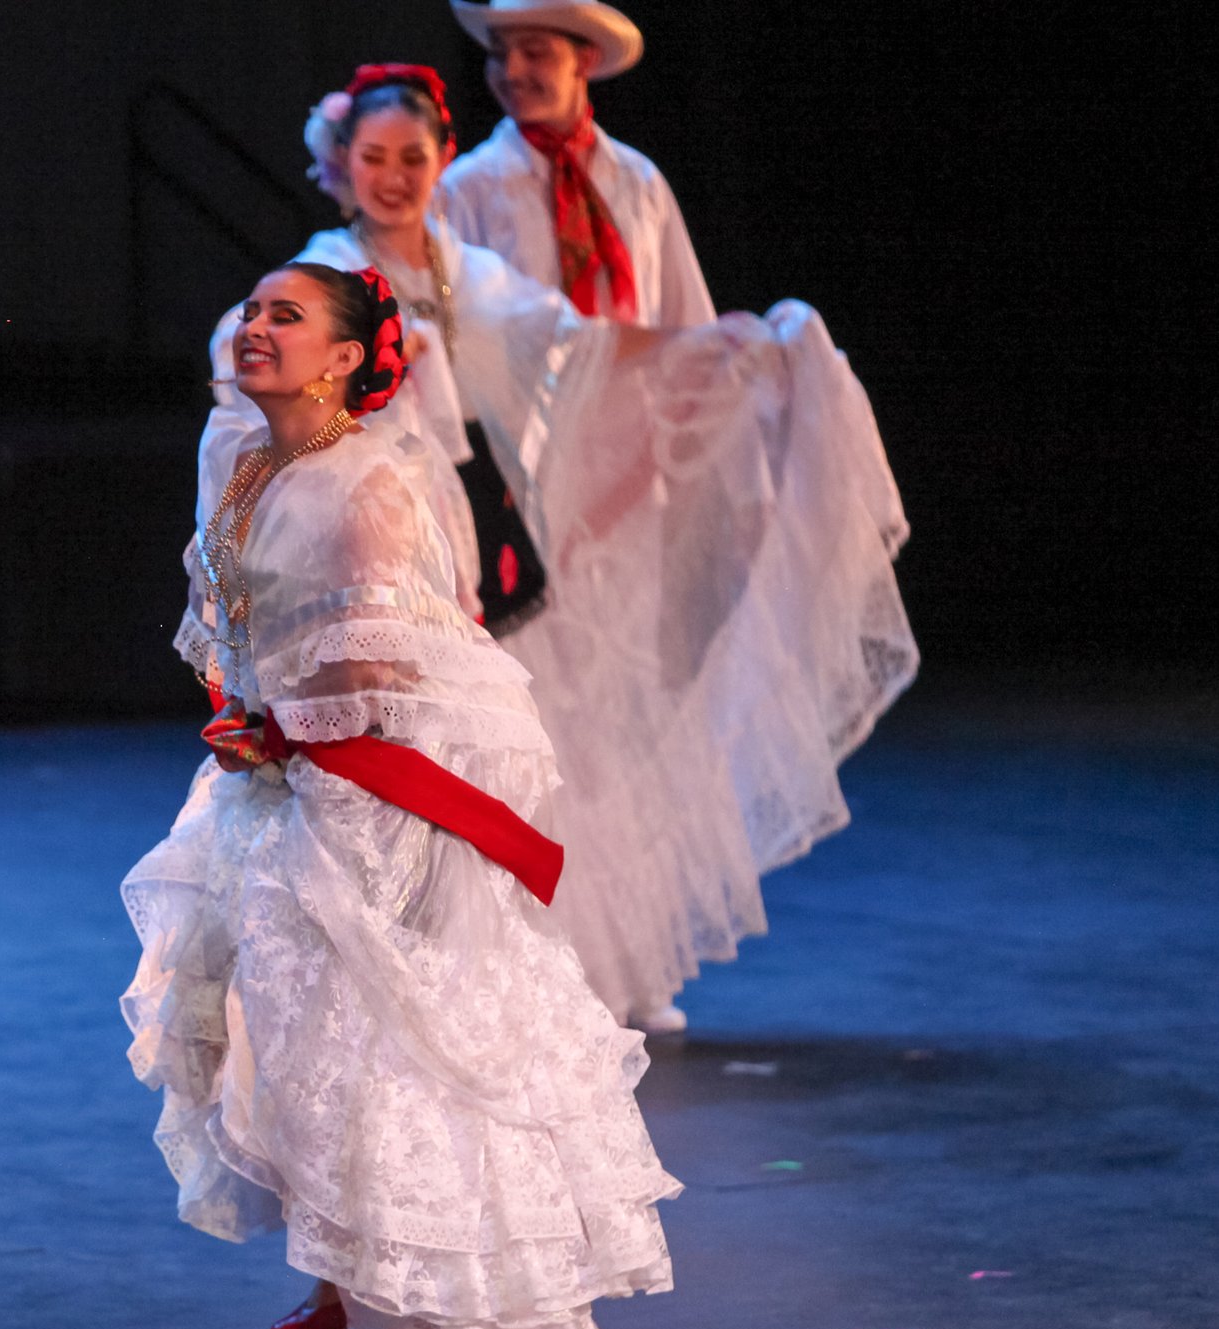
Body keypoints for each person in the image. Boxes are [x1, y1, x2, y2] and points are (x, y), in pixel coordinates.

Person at [248, 64, 916, 1029]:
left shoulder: (454, 263)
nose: (394, 175)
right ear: (339, 164)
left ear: (440, 162)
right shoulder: (326, 272)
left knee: (537, 741)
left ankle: (559, 970)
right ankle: (421, 983)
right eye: (375, 157)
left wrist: (712, 347)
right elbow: (285, 387)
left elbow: (571, 339)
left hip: (485, 528)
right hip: (388, 537)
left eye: (414, 156)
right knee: (422, 754)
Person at [123, 261, 678, 1329]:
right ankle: (345, 1253)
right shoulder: (243, 458)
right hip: (277, 766)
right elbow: (239, 619)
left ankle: (454, 1290)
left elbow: (382, 665)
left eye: (289, 317)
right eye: (254, 310)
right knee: (283, 1025)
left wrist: (281, 731)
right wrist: (249, 717)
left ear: (342, 358)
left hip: (367, 784)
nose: (257, 327)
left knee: (382, 1029)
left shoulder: (366, 484)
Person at [437, 1, 712, 331]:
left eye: (535, 53)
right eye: (498, 53)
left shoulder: (639, 180)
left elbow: (689, 325)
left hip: (639, 381)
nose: (511, 71)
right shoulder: (467, 188)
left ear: (585, 59)